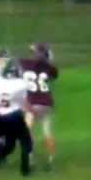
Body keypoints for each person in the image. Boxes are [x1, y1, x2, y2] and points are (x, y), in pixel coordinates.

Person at [0, 59, 33, 177]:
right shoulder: (21, 84)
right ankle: (25, 170)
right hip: (14, 116)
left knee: (9, 145)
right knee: (26, 142)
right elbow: (24, 102)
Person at [20, 41, 60, 170]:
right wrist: (48, 59)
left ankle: (30, 158)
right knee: (47, 132)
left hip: (31, 102)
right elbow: (53, 74)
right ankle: (51, 159)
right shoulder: (49, 67)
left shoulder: (25, 64)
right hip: (46, 102)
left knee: (27, 132)